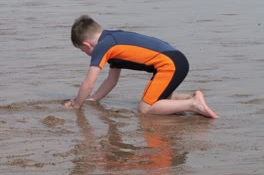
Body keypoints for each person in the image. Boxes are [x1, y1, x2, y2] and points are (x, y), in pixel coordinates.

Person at [63, 15, 219, 118]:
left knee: (145, 108)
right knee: (159, 99)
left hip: (169, 64)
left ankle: (192, 104)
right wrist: (93, 99)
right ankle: (191, 98)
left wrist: (77, 103)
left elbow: (89, 82)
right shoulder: (112, 39)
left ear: (86, 44)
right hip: (176, 59)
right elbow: (111, 80)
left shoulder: (102, 47)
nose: (86, 53)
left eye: (83, 51)